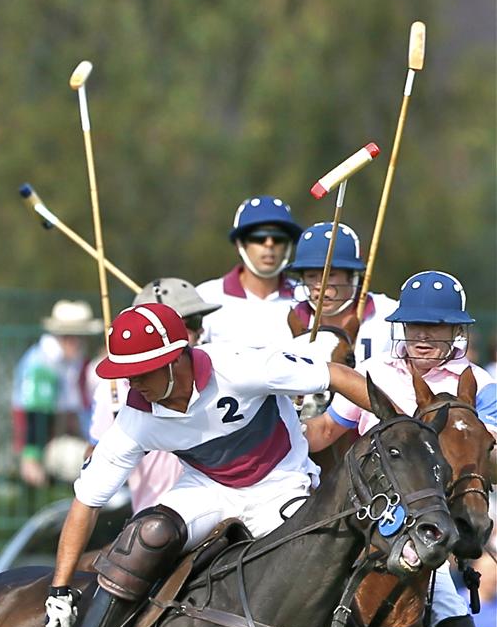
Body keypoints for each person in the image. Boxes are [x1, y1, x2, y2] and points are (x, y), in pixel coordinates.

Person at [31, 301, 372, 627]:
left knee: (314, 566)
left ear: (177, 358)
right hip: (209, 489)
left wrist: (404, 422)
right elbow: (85, 502)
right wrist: (59, 590)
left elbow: (339, 377)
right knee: (145, 535)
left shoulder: (243, 365)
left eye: (144, 372)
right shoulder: (137, 418)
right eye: (127, 374)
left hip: (281, 484)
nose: (134, 384)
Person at [304, 270, 497, 627]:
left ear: (457, 332)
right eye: (415, 325)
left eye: (438, 327)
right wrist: (295, 413)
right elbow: (324, 436)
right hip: (361, 529)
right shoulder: (374, 373)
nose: (425, 337)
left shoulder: (478, 384)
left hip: (427, 540)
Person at [85, 278, 220, 513]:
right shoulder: (112, 389)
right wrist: (119, 439)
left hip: (226, 502)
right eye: (187, 323)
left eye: (198, 321)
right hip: (157, 516)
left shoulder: (219, 369)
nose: (199, 330)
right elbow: (93, 457)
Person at [14, 301, 105, 488]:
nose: (79, 342)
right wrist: (31, 458)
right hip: (47, 444)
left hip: (69, 435)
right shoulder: (41, 364)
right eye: (73, 336)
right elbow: (36, 415)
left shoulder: (74, 363)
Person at [284, 222, 399, 366]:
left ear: (352, 277)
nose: (320, 285)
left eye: (330, 275)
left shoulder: (391, 317)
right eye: (312, 276)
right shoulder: (284, 322)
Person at [197, 196, 301, 349]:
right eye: (259, 238)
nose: (269, 244)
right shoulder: (205, 297)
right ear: (240, 243)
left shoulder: (304, 298)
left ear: (288, 245)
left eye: (279, 239)